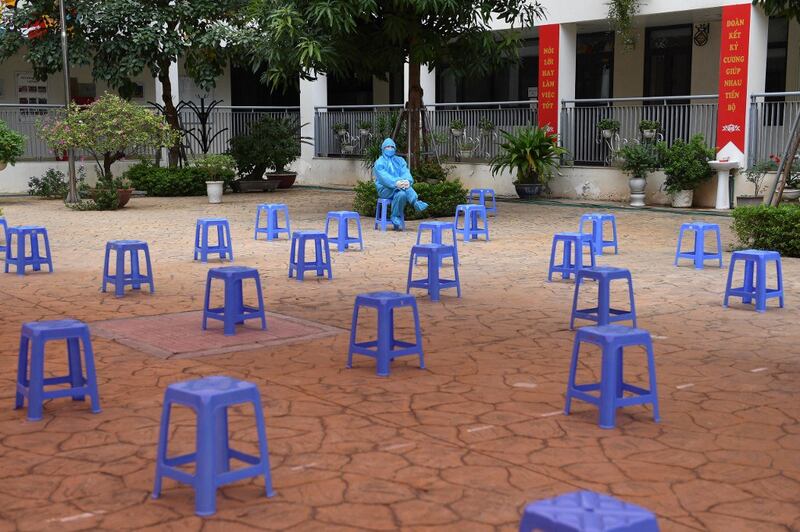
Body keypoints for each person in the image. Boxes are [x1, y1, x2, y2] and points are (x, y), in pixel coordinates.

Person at [374, 138, 428, 230]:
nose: (390, 148)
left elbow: (405, 172)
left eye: (392, 147)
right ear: (383, 149)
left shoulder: (400, 160)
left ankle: (395, 216)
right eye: (387, 147)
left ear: (395, 148)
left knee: (402, 194)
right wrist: (396, 183)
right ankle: (415, 202)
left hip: (400, 188)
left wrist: (407, 181)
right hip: (384, 189)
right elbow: (384, 178)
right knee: (401, 189)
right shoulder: (379, 162)